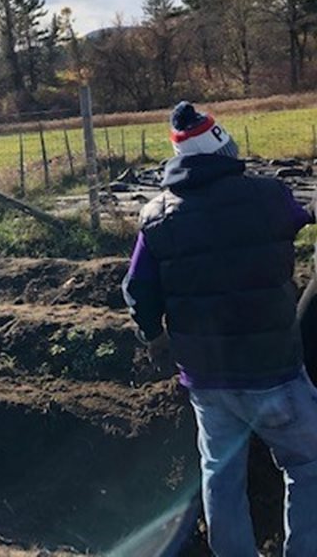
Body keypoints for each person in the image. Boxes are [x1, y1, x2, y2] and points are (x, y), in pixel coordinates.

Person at [122, 101, 317, 556]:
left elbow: (136, 288)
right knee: (308, 466)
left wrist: (153, 336)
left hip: (206, 380)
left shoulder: (156, 217)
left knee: (220, 476)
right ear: (224, 149)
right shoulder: (269, 197)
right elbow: (303, 214)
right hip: (274, 373)